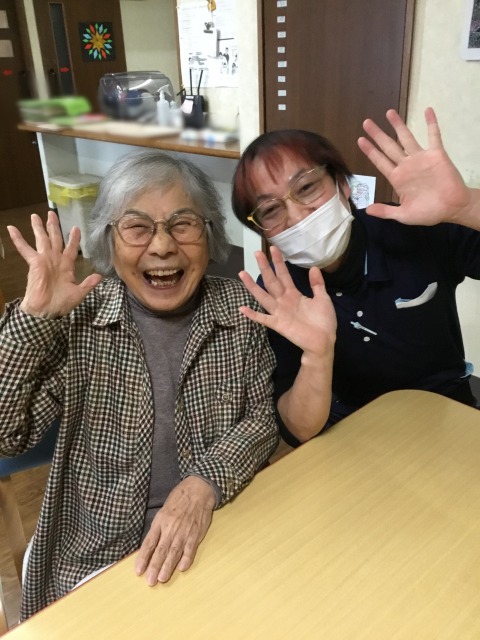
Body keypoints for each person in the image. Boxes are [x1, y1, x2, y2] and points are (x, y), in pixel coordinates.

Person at [0, 150, 278, 620]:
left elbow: (260, 419)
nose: (162, 246)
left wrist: (204, 483)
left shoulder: (240, 310)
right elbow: (7, 437)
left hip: (219, 532)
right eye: (137, 227)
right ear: (109, 241)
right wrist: (33, 321)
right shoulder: (79, 319)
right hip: (98, 556)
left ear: (210, 235)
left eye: (183, 224)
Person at [231, 107, 480, 448]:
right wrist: (317, 356)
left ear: (343, 184)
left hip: (446, 414)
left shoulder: (414, 230)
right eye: (271, 210)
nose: (298, 216)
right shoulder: (280, 293)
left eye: (306, 187)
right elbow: (298, 430)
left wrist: (467, 207)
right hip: (352, 433)